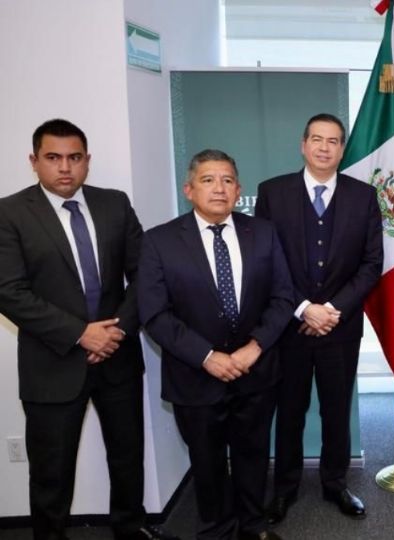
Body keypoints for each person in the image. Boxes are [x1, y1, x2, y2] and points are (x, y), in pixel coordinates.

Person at [0, 119, 175, 540]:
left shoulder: (115, 204)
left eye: (74, 158)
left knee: (127, 456)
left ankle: (130, 529)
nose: (65, 168)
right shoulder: (9, 213)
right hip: (52, 364)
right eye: (53, 158)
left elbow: (145, 275)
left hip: (117, 356)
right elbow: (9, 291)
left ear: (87, 161)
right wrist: (81, 333)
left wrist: (114, 332)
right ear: (34, 161)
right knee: (51, 470)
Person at [139, 150, 294, 540]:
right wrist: (207, 357)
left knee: (253, 456)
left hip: (255, 371)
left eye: (227, 180)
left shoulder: (264, 233)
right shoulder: (159, 242)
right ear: (189, 189)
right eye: (208, 180)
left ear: (239, 189)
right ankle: (217, 532)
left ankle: (253, 526)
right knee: (207, 464)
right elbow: (155, 313)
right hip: (195, 376)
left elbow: (283, 299)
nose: (219, 188)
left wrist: (254, 348)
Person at [255, 113, 383, 522]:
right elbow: (265, 259)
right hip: (288, 326)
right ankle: (285, 487)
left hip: (340, 328)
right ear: (303, 144)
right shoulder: (273, 193)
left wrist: (330, 310)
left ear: (342, 149)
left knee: (335, 408)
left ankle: (335, 483)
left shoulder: (364, 196)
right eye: (317, 139)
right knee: (289, 408)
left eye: (333, 141)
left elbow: (370, 264)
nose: (324, 147)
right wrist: (301, 308)